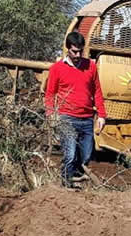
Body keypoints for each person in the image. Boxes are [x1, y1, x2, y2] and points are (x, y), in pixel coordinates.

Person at [45, 32, 107, 189]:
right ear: (67, 49)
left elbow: (97, 92)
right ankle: (66, 184)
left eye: (80, 51)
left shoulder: (91, 67)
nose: (78, 54)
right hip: (66, 117)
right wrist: (51, 114)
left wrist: (101, 115)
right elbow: (50, 94)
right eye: (74, 51)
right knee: (70, 154)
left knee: (85, 156)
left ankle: (77, 182)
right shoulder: (57, 69)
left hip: (86, 118)